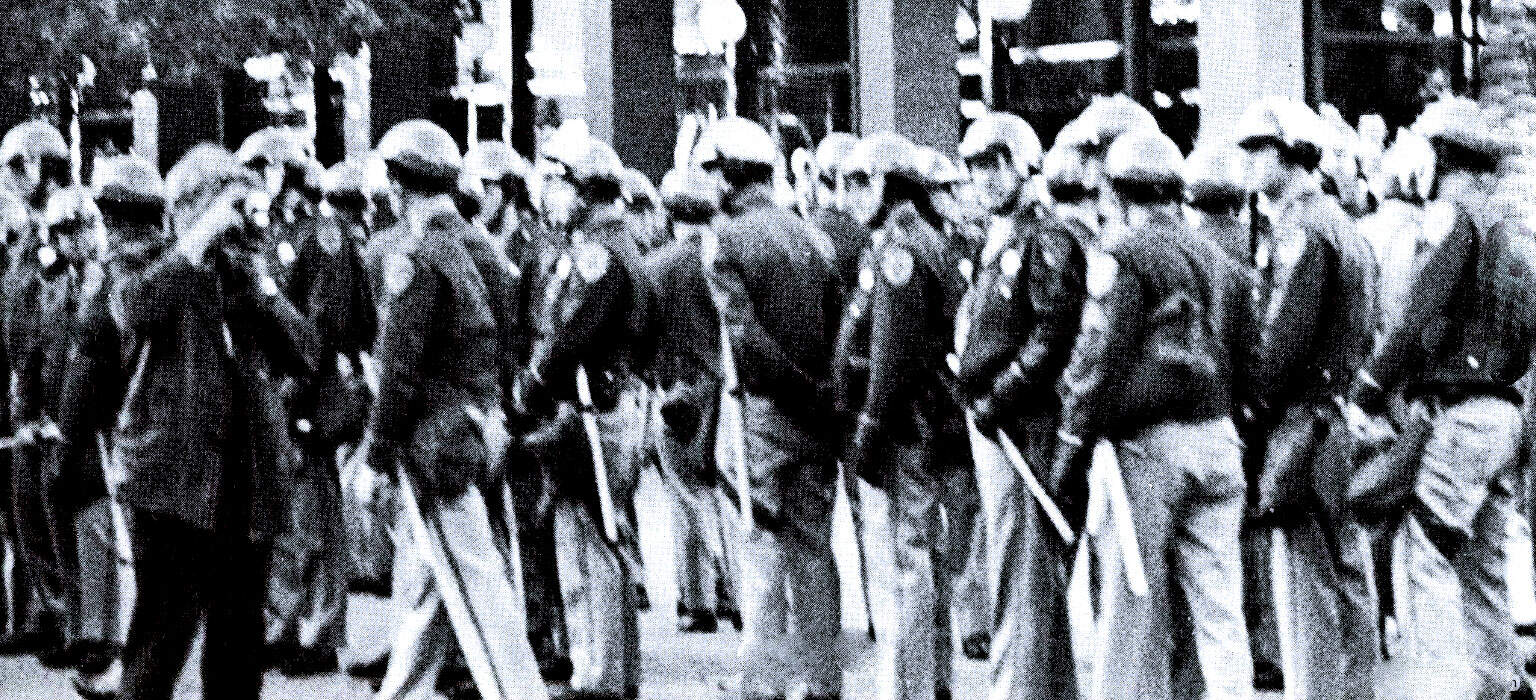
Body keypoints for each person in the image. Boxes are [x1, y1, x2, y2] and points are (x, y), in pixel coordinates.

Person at [1048, 130, 1259, 700]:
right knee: (1220, 614)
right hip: (1218, 440)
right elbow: (1249, 362)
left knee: (1130, 616)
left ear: (1114, 195)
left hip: (1149, 451)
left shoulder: (1121, 256)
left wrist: (1069, 449)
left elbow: (1097, 360)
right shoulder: (1217, 256)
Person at [1345, 96, 1533, 700]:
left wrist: (1372, 386)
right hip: (1504, 411)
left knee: (1424, 553)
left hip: (1460, 413)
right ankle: (1501, 685)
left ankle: (1442, 688)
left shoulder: (1454, 218)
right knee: (1483, 560)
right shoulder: (1512, 231)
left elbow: (1421, 305)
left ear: (1441, 158)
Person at [114, 144, 318, 700]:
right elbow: (132, 309)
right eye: (225, 206)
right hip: (172, 489)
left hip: (243, 491)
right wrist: (196, 245)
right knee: (160, 645)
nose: (239, 221)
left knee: (236, 653)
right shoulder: (145, 261)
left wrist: (258, 288)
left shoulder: (246, 273)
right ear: (191, 206)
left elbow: (305, 350)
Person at [357, 120, 546, 700]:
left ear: (397, 183)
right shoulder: (481, 245)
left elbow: (399, 370)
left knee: (474, 584)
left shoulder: (415, 256)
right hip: (479, 426)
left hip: (436, 438)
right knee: (428, 579)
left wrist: (376, 456)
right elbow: (514, 333)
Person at [1238, 96, 1380, 700]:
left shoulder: (1301, 229)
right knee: (1345, 566)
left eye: (1258, 150)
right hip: (1335, 416)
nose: (1247, 163)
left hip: (1307, 421)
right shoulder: (1340, 224)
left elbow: (1280, 339)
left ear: (1291, 154)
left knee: (1308, 579)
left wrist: (1251, 407)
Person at [697, 116, 844, 700]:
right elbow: (840, 328)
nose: (709, 186)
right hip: (817, 415)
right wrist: (820, 392)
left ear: (733, 174)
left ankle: (758, 682)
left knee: (761, 550)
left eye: (713, 173)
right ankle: (822, 680)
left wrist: (790, 386)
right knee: (813, 550)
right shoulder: (812, 234)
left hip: (764, 413)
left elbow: (744, 337)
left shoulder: (724, 240)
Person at [514, 123, 652, 699]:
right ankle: (605, 671)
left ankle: (604, 676)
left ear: (583, 188)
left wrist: (531, 382)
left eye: (558, 183)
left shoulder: (595, 248)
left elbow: (568, 330)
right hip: (608, 401)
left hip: (594, 407)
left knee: (593, 541)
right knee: (596, 536)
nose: (550, 194)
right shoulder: (617, 239)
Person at [952, 111, 1084, 700]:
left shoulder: (1045, 237)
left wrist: (1000, 394)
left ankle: (1020, 690)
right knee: (1021, 568)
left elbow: (1053, 332)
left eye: (995, 163)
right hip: (1000, 417)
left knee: (1022, 568)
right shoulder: (1000, 236)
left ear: (1023, 165)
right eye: (977, 166)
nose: (984, 177)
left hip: (1024, 425)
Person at [835, 132, 971, 700]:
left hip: (909, 426)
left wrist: (867, 430)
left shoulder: (898, 248)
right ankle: (933, 680)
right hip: (930, 421)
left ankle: (911, 688)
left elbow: (891, 354)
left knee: (910, 561)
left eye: (864, 181)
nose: (851, 193)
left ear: (893, 187)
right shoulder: (926, 240)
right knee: (929, 560)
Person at [58, 154, 168, 699]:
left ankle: (136, 675)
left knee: (137, 560)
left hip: (127, 435)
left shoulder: (111, 275)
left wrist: (68, 442)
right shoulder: (173, 264)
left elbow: (89, 362)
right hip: (171, 431)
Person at [645, 166, 737, 634]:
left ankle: (697, 598)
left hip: (677, 388)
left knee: (685, 493)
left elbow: (642, 333)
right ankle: (736, 592)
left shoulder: (658, 266)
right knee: (727, 492)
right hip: (726, 386)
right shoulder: (727, 256)